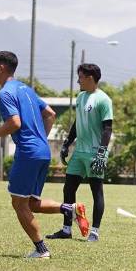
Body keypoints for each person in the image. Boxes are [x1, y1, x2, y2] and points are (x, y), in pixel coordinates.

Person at [0, 51, 88, 258]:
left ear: (1, 67)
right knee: (31, 203)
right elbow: (50, 113)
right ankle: (71, 209)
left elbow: (15, 123)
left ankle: (41, 250)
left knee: (18, 203)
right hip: (42, 150)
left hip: (28, 152)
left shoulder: (5, 93)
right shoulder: (26, 89)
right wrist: (40, 138)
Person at [48, 63, 113, 242]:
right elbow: (78, 123)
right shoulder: (81, 97)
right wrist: (67, 143)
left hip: (95, 153)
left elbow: (107, 129)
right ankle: (67, 229)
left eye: (80, 77)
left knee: (96, 191)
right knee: (68, 189)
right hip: (79, 152)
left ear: (90, 78)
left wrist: (101, 153)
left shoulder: (104, 99)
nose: (78, 81)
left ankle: (94, 232)